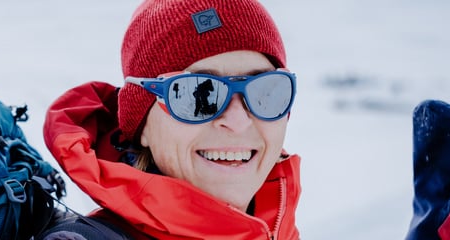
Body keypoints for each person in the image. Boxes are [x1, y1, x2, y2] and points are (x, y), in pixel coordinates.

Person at [40, 0, 300, 239]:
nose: (238, 121)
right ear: (142, 127)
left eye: (265, 90)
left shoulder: (279, 227)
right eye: (196, 93)